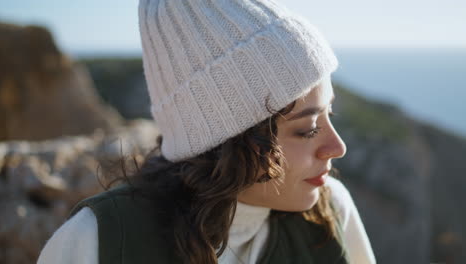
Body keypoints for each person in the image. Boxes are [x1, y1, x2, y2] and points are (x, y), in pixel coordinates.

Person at [37, 0, 376, 263]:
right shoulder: (97, 241)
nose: (337, 146)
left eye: (328, 115)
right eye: (308, 129)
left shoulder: (330, 211)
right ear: (227, 142)